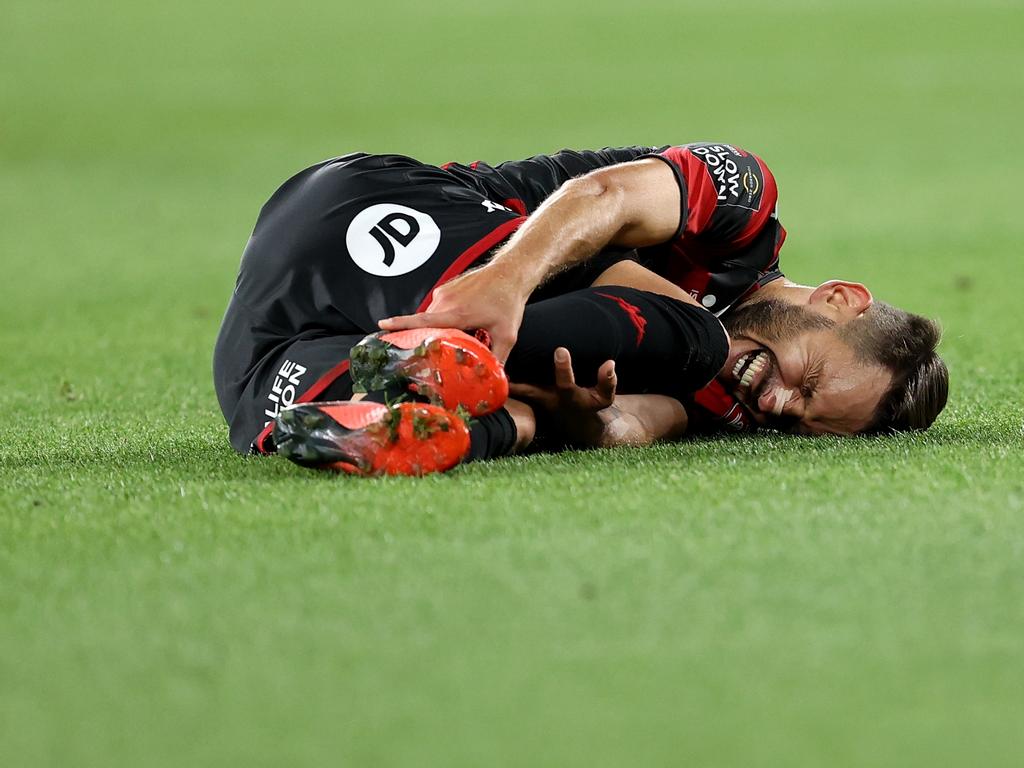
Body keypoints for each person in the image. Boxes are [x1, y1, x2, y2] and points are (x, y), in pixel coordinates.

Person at [213, 144, 948, 473]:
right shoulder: (742, 210)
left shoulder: (729, 407)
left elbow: (635, 424)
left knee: (276, 419)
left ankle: (439, 414)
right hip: (377, 212)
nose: (780, 402)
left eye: (800, 421)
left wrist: (590, 423)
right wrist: (511, 279)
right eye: (810, 382)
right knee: (695, 336)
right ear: (840, 300)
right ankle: (443, 363)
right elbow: (608, 196)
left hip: (270, 348)